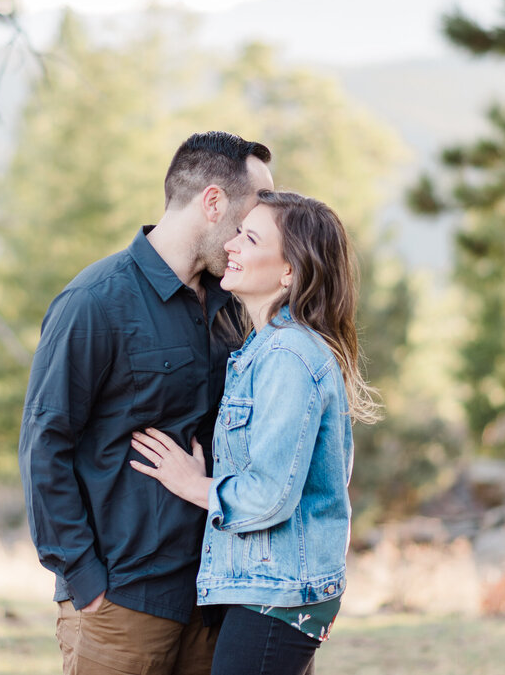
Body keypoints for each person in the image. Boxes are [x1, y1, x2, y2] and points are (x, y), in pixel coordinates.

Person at [19, 131, 275, 675]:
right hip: (122, 602)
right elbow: (45, 446)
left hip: (213, 600)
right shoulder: (94, 302)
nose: (263, 226)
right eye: (255, 209)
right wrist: (85, 579)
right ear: (213, 202)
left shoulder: (235, 306)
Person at [129, 190, 379, 675]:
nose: (232, 246)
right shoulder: (265, 350)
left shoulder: (288, 357)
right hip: (270, 587)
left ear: (290, 272)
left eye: (250, 237)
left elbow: (270, 495)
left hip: (276, 591)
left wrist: (194, 486)